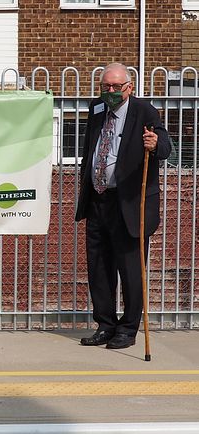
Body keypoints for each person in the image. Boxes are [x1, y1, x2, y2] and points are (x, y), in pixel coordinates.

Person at [76, 63, 172, 350]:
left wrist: (155, 145)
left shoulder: (145, 111)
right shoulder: (96, 109)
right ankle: (105, 325)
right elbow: (90, 148)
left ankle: (128, 329)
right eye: (106, 86)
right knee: (99, 268)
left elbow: (165, 147)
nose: (111, 91)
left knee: (130, 270)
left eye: (117, 87)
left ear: (129, 86)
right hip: (97, 200)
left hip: (129, 203)